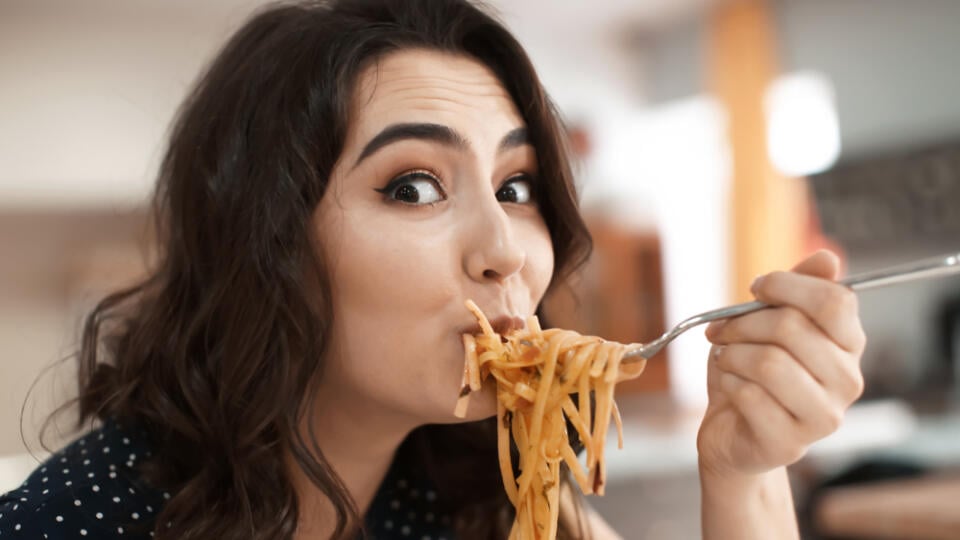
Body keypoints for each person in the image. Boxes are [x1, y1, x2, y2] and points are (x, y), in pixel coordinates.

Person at [0, 0, 866, 538]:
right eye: (413, 186)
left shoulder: (480, 490)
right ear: (265, 246)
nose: (504, 251)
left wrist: (743, 473)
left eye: (518, 186)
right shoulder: (82, 520)